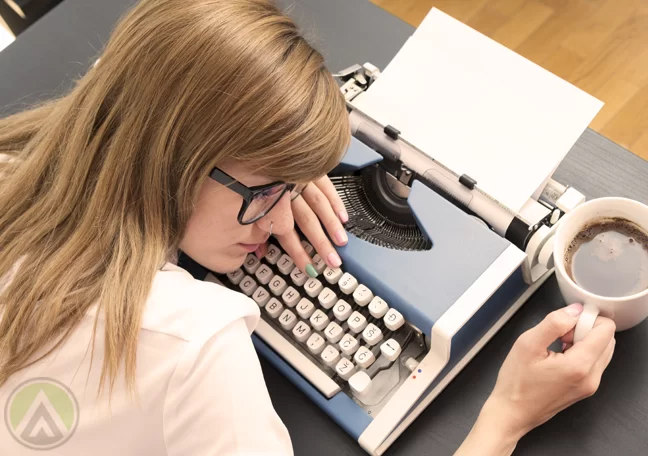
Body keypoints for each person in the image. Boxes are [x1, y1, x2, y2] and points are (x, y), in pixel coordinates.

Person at [0, 0, 616, 454]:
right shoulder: (199, 345)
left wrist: (281, 162)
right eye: (264, 191)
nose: (274, 221)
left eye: (293, 188)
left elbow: (134, 74)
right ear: (173, 154)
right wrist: (507, 415)